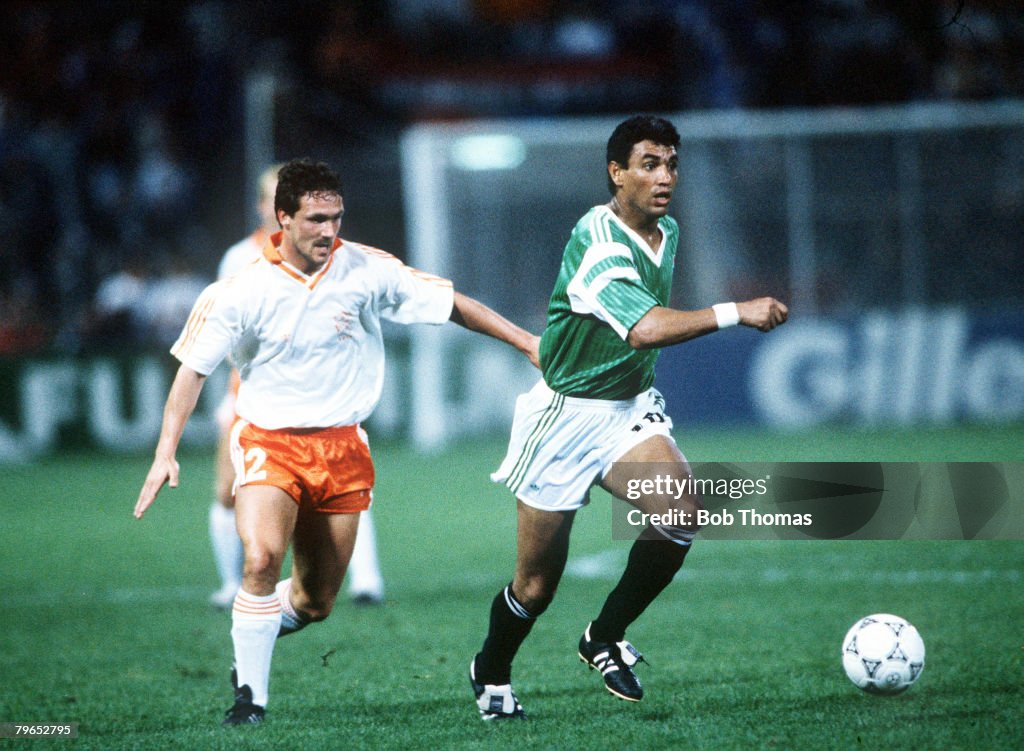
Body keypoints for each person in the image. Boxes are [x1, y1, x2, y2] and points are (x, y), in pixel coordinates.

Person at [133, 158, 539, 726]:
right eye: (316, 218)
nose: (329, 230)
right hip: (268, 442)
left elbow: (451, 305)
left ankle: (254, 631)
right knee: (260, 558)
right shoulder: (239, 289)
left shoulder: (367, 270)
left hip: (343, 447)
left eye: (336, 218)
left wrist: (526, 343)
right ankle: (250, 698)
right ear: (282, 218)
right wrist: (164, 452)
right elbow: (191, 371)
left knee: (314, 600)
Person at [468, 115, 788, 720]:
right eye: (648, 164)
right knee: (535, 588)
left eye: (670, 164)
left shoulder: (666, 230)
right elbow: (644, 329)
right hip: (562, 421)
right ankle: (491, 668)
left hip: (626, 412)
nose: (664, 176)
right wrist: (735, 310)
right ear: (616, 173)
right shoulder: (599, 242)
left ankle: (603, 635)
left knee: (682, 512)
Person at [207, 163, 386, 609]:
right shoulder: (239, 258)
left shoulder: (339, 259)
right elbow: (221, 332)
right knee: (226, 491)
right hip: (249, 398)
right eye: (268, 197)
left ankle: (366, 578)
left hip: (322, 402)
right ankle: (233, 584)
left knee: (345, 489)